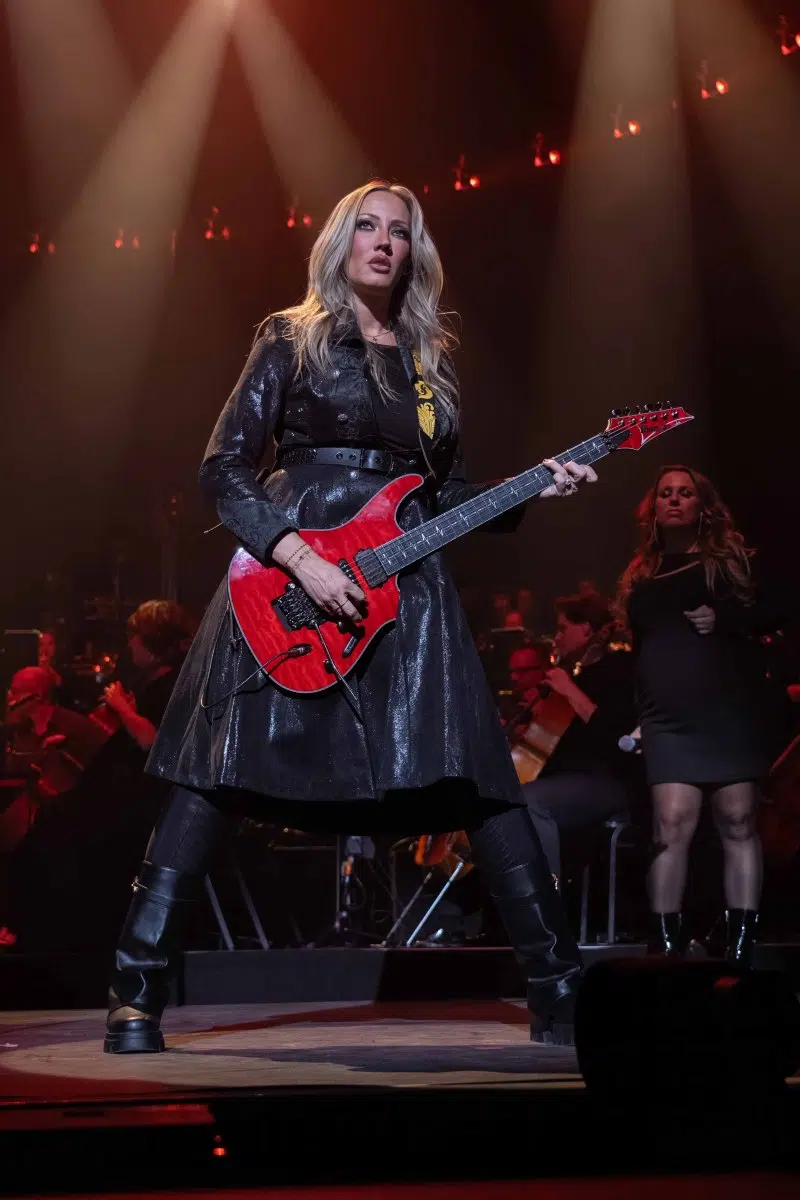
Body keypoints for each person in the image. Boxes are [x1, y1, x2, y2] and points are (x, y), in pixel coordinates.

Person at [103, 180, 598, 1054]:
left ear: (415, 251)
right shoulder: (289, 337)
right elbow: (223, 468)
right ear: (339, 242)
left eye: (398, 232)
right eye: (366, 227)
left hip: (404, 588)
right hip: (286, 576)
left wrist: (539, 485)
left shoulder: (427, 362)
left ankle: (561, 995)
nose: (382, 242)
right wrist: (294, 553)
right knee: (211, 773)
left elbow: (445, 497)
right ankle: (135, 999)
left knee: (478, 776)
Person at [616, 465, 793, 965]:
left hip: (726, 712)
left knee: (738, 821)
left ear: (703, 505)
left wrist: (726, 620)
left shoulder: (730, 565)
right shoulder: (641, 575)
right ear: (654, 508)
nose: (674, 500)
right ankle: (669, 945)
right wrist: (639, 715)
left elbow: (777, 612)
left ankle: (740, 945)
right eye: (666, 493)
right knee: (670, 825)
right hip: (667, 718)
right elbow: (644, 652)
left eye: (685, 493)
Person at [6, 601, 196, 954]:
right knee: (54, 816)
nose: (131, 646)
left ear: (154, 643)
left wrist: (122, 708)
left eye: (137, 638)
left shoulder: (175, 685)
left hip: (143, 805)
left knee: (56, 826)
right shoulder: (159, 681)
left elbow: (152, 742)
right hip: (122, 795)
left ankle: (45, 931)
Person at [517, 591, 639, 881]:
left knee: (529, 802)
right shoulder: (577, 672)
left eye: (563, 629)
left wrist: (568, 690)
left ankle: (546, 908)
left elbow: (616, 736)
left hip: (610, 781)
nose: (556, 637)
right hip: (572, 779)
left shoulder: (618, 666)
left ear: (586, 629)